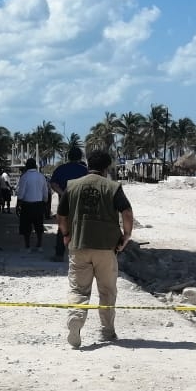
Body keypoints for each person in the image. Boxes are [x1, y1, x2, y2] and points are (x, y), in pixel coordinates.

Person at [60, 149, 133, 348]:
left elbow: (61, 214)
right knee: (107, 290)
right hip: (106, 249)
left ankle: (75, 319)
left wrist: (66, 235)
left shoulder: (72, 186)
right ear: (106, 168)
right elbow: (126, 212)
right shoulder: (113, 186)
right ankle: (107, 332)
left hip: (79, 245)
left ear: (87, 164)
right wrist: (126, 236)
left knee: (78, 289)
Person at [47, 145, 88, 262]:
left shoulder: (61, 169)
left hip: (64, 204)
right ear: (80, 157)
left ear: (68, 156)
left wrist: (63, 193)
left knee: (62, 229)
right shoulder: (85, 170)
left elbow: (53, 184)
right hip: (80, 204)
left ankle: (59, 255)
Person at [15, 157, 49, 251]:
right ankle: (39, 245)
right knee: (39, 225)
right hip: (39, 204)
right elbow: (45, 191)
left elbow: (21, 193)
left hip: (27, 205)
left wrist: (18, 205)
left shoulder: (24, 176)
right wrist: (45, 202)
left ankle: (27, 245)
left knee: (26, 226)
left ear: (27, 166)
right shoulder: (41, 176)